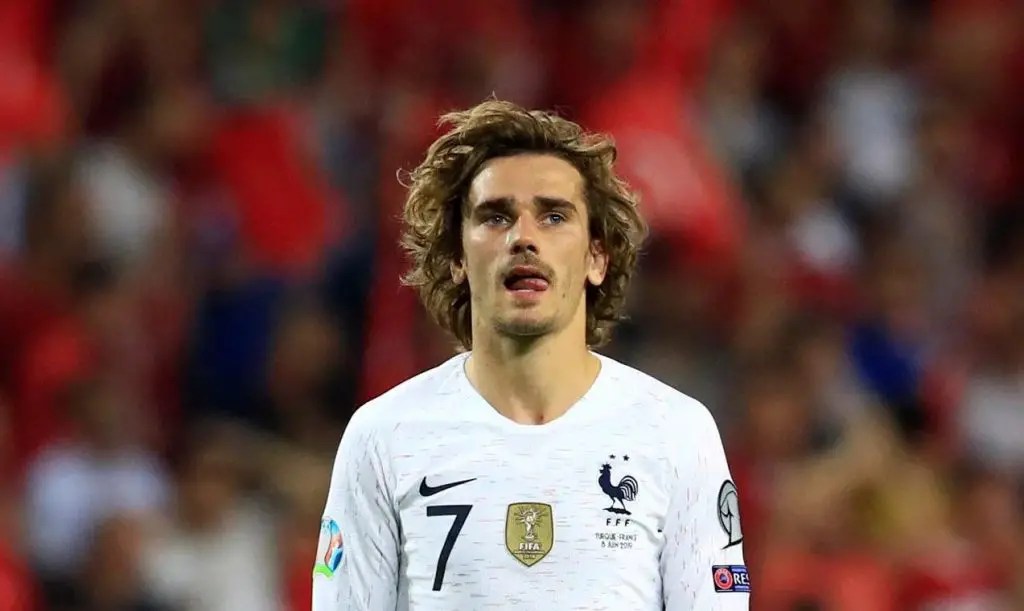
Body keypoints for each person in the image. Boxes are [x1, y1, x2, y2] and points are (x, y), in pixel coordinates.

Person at [313, 99, 749, 610]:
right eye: (496, 217)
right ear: (457, 257)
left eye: (554, 216)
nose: (523, 238)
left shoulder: (677, 434)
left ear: (596, 257)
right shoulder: (383, 437)